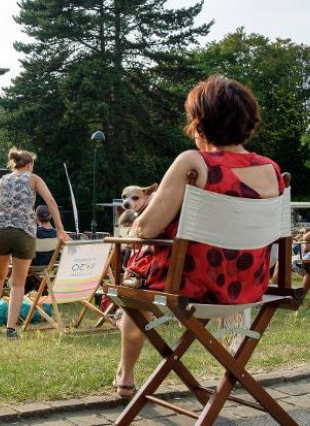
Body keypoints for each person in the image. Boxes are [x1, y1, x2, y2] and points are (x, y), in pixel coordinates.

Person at [114, 75, 284, 398]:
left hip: (193, 287)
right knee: (140, 279)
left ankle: (126, 373)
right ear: (247, 120)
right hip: (249, 287)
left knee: (133, 284)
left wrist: (139, 225)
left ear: (199, 123)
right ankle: (222, 381)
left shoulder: (195, 163)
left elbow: (146, 228)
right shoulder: (272, 170)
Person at [0, 147, 70, 339]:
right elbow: (50, 200)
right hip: (23, 232)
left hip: (1, 232)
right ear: (30, 165)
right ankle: (10, 328)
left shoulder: (2, 181)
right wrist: (59, 229)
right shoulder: (34, 178)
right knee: (17, 283)